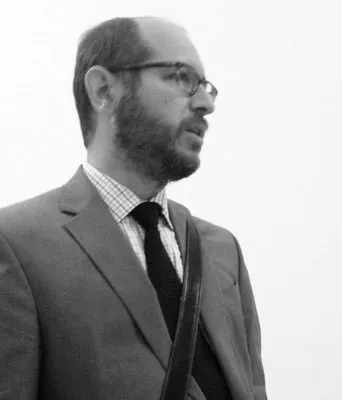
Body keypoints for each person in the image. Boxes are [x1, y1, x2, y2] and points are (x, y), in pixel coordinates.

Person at [0, 17, 267, 400]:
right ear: (104, 90)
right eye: (181, 77)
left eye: (207, 87)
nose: (205, 104)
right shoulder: (16, 244)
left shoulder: (222, 248)